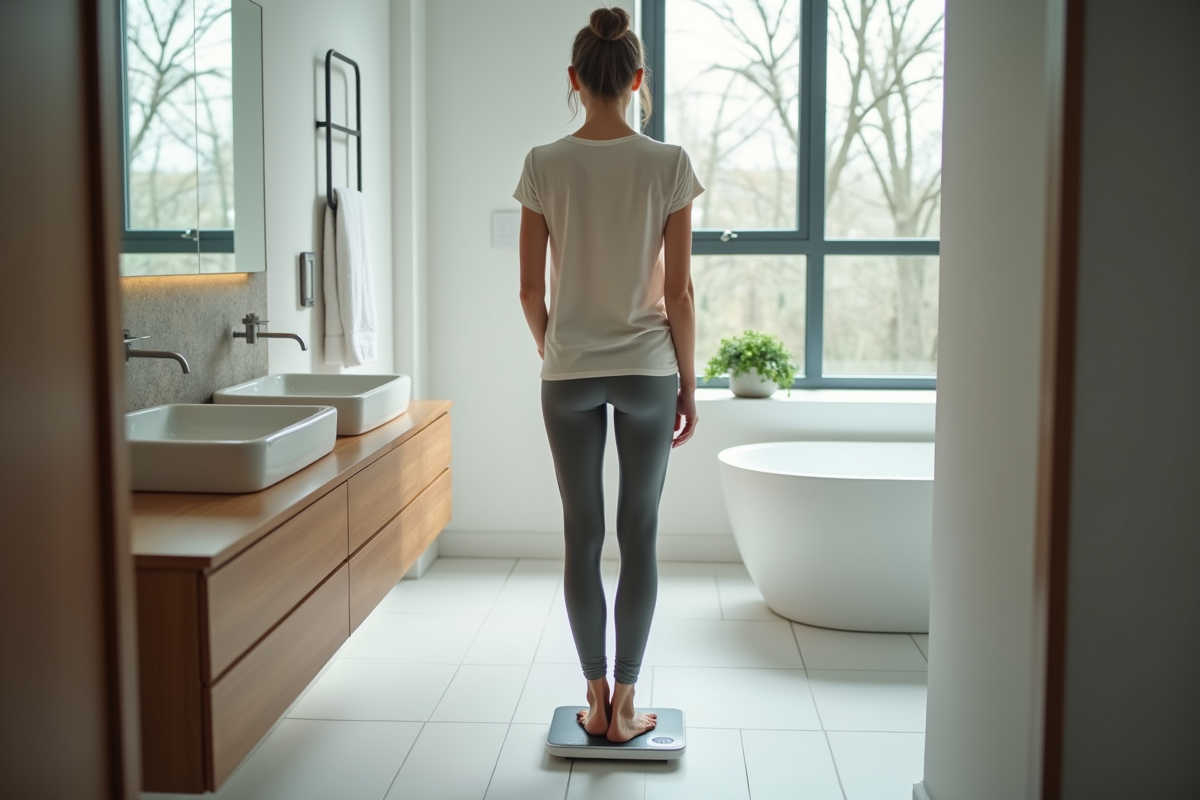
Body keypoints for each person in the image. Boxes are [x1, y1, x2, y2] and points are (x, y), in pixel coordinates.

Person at [512, 6, 703, 744]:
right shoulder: (669, 164)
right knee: (640, 533)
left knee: (581, 535)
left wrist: (554, 350)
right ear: (637, 79)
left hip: (569, 374)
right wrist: (688, 385)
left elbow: (532, 292)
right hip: (649, 371)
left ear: (574, 80)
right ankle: (627, 706)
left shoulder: (542, 163)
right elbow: (680, 293)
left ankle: (591, 699)